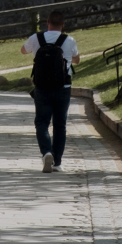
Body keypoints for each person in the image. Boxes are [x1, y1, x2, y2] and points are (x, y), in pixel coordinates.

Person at [21, 10, 80, 172]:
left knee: (41, 122)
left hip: (42, 88)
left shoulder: (36, 38)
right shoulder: (69, 40)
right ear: (63, 24)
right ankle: (58, 162)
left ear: (47, 22)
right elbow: (77, 59)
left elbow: (23, 50)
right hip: (63, 88)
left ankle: (47, 152)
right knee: (60, 125)